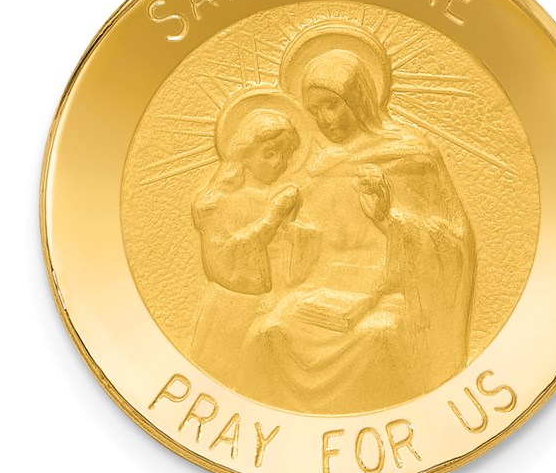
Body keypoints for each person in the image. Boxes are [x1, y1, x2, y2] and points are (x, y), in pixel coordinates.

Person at [243, 47, 476, 412]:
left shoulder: (411, 156)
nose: (324, 119)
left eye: (332, 106)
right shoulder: (316, 168)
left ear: (358, 100)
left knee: (376, 336)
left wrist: (388, 218)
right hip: (327, 290)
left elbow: (452, 244)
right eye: (314, 111)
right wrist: (292, 232)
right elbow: (316, 247)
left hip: (391, 293)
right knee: (268, 332)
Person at [190, 108, 313, 388]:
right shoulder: (215, 204)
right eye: (269, 154)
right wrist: (272, 219)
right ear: (244, 154)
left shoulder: (283, 197)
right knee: (223, 382)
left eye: (285, 155)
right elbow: (226, 261)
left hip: (272, 308)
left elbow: (295, 259)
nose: (278, 163)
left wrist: (297, 232)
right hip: (231, 310)